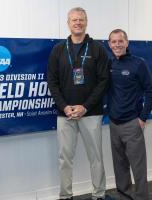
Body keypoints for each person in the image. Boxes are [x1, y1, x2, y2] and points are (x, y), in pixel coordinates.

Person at [47, 7, 110, 200]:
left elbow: (104, 81)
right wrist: (64, 107)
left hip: (91, 113)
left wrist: (85, 107)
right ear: (68, 23)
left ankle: (98, 194)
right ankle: (66, 195)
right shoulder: (58, 49)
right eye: (74, 20)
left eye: (81, 19)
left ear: (86, 22)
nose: (77, 23)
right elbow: (52, 81)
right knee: (64, 159)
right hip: (65, 114)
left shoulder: (97, 48)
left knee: (96, 158)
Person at [107, 29, 152, 200]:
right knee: (119, 167)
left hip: (132, 124)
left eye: (120, 41)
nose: (117, 44)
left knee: (138, 168)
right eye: (113, 41)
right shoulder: (109, 64)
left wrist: (142, 118)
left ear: (127, 43)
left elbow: (150, 91)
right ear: (109, 44)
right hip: (113, 124)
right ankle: (124, 197)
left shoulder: (138, 63)